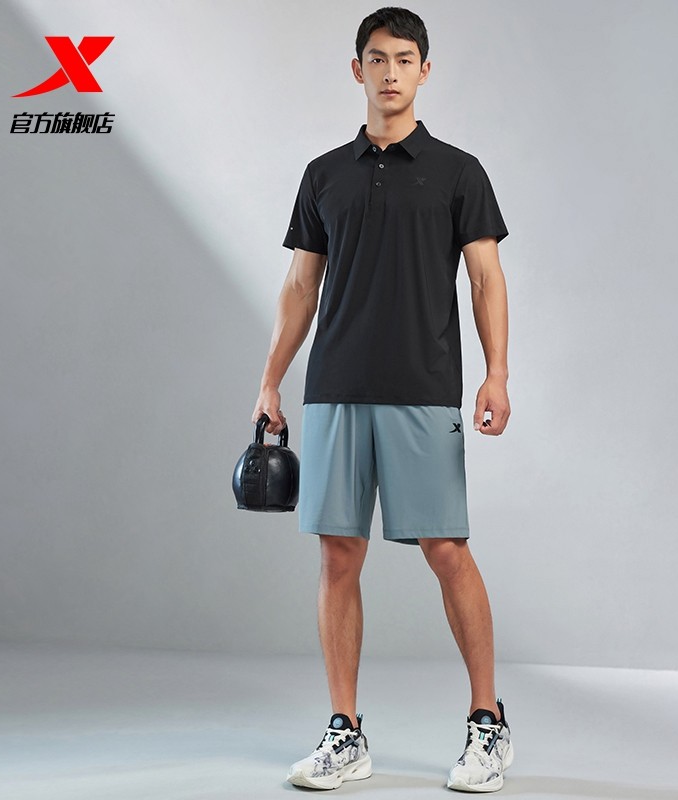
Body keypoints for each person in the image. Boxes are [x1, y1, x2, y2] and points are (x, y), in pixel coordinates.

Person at [251, 6, 513, 793]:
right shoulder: (324, 174)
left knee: (446, 550)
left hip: (422, 388)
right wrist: (271, 378)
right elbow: (301, 284)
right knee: (338, 554)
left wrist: (496, 373)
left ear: (424, 71)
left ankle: (488, 723)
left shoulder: (460, 172)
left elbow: (486, 279)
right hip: (336, 387)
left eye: (404, 59)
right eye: (377, 58)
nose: (390, 71)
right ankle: (345, 732)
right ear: (357, 69)